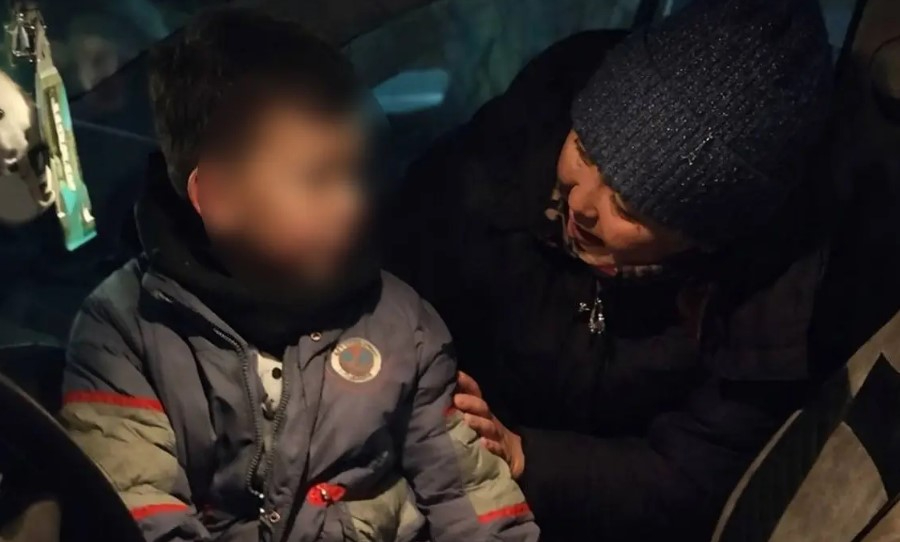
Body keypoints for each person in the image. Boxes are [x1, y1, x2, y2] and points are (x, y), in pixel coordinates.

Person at [58, 8, 538, 542]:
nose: (352, 203)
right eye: (318, 178)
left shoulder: (404, 329)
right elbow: (137, 513)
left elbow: (472, 501)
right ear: (217, 196)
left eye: (354, 174)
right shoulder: (126, 333)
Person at [385, 0, 836, 540]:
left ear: (703, 234)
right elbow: (391, 279)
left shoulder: (763, 302)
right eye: (585, 149)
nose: (580, 203)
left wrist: (528, 457)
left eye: (627, 205)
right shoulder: (496, 159)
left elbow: (695, 475)